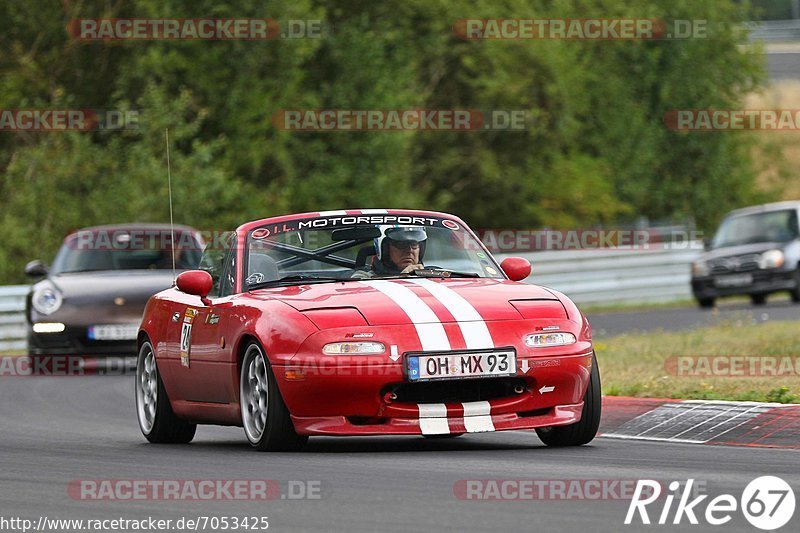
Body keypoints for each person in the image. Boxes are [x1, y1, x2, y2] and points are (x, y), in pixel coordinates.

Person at [352, 226, 427, 277]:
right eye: (401, 244)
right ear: (385, 249)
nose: (409, 250)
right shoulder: (362, 278)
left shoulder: (434, 277)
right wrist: (402, 278)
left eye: (414, 244)